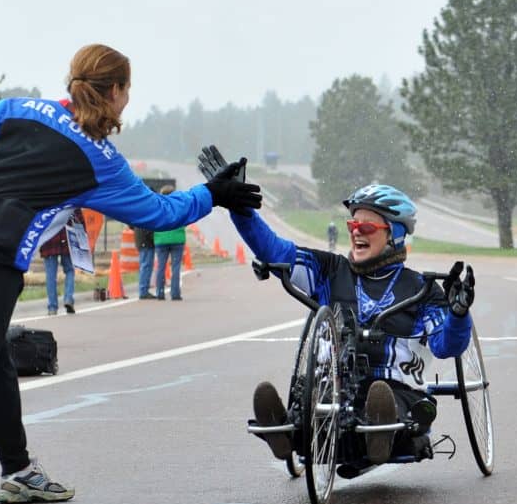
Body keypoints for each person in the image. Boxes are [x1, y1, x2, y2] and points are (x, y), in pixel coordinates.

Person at [0, 44, 261, 504]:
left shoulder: (17, 107)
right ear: (118, 91)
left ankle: (18, 471)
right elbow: (159, 211)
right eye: (128, 89)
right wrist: (214, 193)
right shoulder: (99, 158)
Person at [200, 146, 475, 472]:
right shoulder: (330, 270)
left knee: (386, 398)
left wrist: (459, 315)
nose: (356, 231)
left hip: (399, 393)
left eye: (368, 227)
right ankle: (290, 432)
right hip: (334, 390)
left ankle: (380, 434)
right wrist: (239, 208)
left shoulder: (423, 289)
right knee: (313, 404)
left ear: (395, 235)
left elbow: (447, 346)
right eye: (352, 225)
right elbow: (274, 248)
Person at [39, 208, 83, 315]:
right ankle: (68, 299)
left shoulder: (42, 196)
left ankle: (52, 307)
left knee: (50, 275)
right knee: (69, 270)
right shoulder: (69, 194)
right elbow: (78, 217)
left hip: (48, 239)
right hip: (67, 237)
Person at [153, 185, 186, 300]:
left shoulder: (157, 206)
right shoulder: (179, 206)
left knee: (161, 267)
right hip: (177, 239)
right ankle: (175, 293)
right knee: (176, 268)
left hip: (161, 239)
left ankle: (160, 293)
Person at [134, 224, 156, 299]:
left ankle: (143, 289)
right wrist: (154, 238)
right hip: (146, 241)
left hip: (141, 239)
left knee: (144, 266)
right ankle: (143, 291)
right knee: (146, 266)